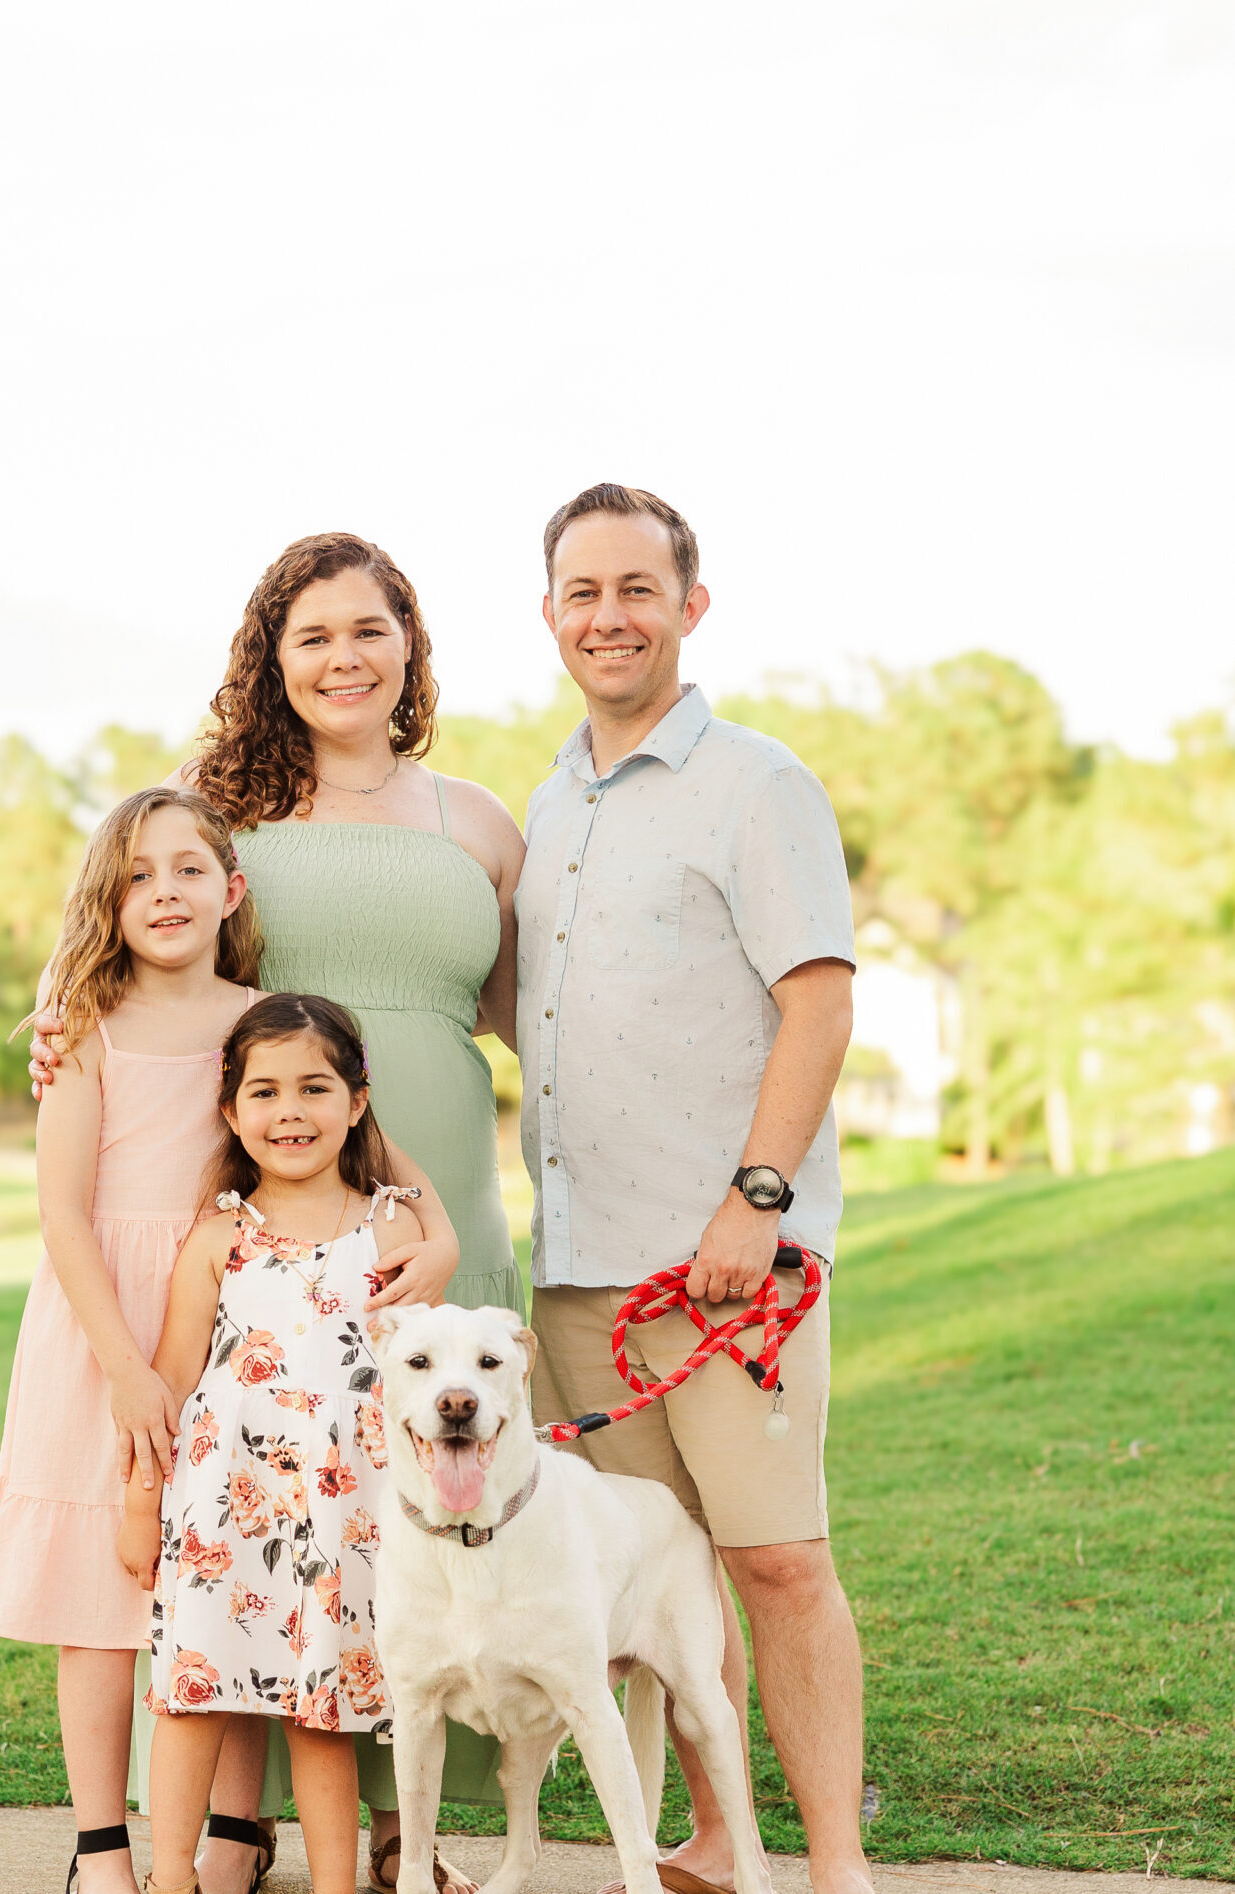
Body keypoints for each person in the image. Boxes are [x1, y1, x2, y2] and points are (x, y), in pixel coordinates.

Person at [30, 531, 524, 1883]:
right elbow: (132, 914)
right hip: (266, 1209)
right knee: (269, 1505)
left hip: (429, 1197)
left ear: (409, 644)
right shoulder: (220, 804)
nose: (343, 656)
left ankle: (399, 1828)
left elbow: (531, 1014)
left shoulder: (476, 819)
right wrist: (51, 1015)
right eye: (311, 635)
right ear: (272, 656)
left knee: (409, 1497)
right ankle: (233, 1830)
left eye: (369, 628)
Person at [0, 788, 456, 1894]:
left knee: (244, 1554)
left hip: (242, 1311)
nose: (164, 891)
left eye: (188, 869)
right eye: (137, 874)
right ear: (108, 897)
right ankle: (104, 1842)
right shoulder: (83, 1023)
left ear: (230, 890)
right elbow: (60, 1213)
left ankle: (240, 1825)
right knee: (102, 1582)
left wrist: (445, 1230)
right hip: (103, 1316)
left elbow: (378, 1149)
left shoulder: (265, 1012)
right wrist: (127, 1371)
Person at [517, 485, 868, 1894]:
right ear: (548, 615)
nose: (608, 616)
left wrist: (758, 1197)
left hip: (726, 1268)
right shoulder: (545, 806)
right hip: (579, 1267)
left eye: (635, 588)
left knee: (777, 1560)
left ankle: (834, 1863)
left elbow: (821, 1001)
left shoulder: (757, 783)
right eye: (580, 592)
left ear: (689, 605)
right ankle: (722, 1840)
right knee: (660, 1582)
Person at [120, 994, 418, 1894]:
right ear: (231, 1111)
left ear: (358, 1102)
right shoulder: (221, 1236)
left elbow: (416, 1376)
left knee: (322, 1713)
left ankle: (335, 1884)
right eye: (265, 1092)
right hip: (222, 1508)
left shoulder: (393, 1228)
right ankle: (169, 1879)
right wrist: (140, 1505)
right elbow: (168, 1383)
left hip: (342, 1512)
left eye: (316, 1088)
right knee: (192, 1696)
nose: (290, 1111)